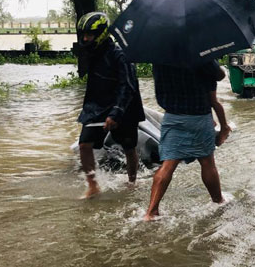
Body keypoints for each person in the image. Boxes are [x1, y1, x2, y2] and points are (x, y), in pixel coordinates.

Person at [144, 60, 231, 221]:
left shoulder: (160, 59)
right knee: (207, 162)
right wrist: (224, 127)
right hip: (199, 116)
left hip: (172, 117)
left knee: (168, 164)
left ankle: (151, 212)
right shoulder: (199, 53)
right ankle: (218, 201)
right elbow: (220, 76)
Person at [75, 12, 145, 199]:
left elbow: (127, 86)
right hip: (97, 106)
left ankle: (132, 182)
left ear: (102, 33)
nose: (85, 38)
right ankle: (93, 185)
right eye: (83, 34)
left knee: (129, 148)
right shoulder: (91, 52)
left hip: (124, 107)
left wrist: (116, 112)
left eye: (89, 34)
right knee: (84, 145)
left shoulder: (120, 54)